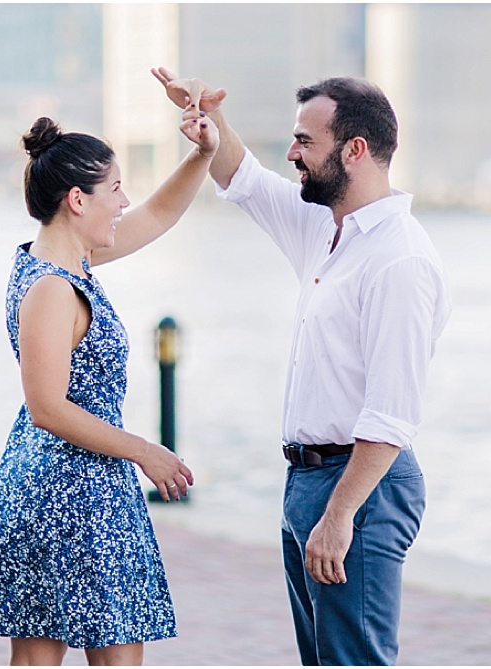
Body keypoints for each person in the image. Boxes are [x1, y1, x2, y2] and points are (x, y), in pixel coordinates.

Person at [152, 67, 452, 665]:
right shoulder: (327, 226)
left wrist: (340, 515)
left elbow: (392, 413)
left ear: (356, 150)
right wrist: (209, 123)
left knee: (354, 662)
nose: (291, 153)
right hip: (308, 481)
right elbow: (245, 179)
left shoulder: (400, 260)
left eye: (305, 142)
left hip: (359, 487)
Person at [0, 99, 218, 666]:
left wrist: (203, 153)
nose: (123, 203)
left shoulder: (70, 266)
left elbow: (160, 214)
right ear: (76, 200)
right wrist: (148, 453)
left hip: (76, 485)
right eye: (115, 189)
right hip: (68, 493)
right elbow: (46, 406)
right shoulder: (51, 287)